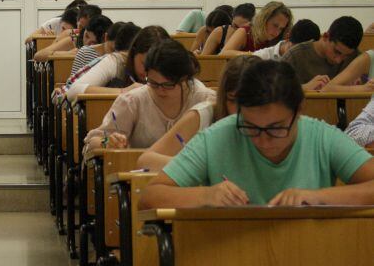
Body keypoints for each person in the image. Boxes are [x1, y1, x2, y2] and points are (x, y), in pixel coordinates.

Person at [140, 60, 374, 208]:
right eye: (250, 126)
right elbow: (150, 196)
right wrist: (205, 196)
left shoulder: (322, 137)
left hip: (306, 254)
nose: (263, 140)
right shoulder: (217, 137)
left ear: (299, 110)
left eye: (276, 128)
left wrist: (318, 197)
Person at [83, 39, 215, 151]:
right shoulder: (132, 101)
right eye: (153, 83)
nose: (160, 90)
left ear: (185, 78)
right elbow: (91, 143)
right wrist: (107, 142)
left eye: (168, 85)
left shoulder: (207, 100)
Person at [137, 55, 261, 171]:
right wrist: (200, 166)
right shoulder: (203, 116)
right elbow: (145, 161)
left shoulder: (270, 122)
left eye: (250, 102)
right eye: (233, 100)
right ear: (223, 98)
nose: (241, 110)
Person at [65, 25, 169, 99]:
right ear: (133, 53)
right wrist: (124, 91)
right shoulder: (117, 61)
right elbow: (73, 90)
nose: (148, 73)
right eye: (144, 64)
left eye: (157, 67)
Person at [281, 16, 362, 88]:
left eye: (346, 56)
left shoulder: (357, 58)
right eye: (337, 52)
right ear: (326, 37)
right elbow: (276, 92)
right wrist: (305, 88)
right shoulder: (295, 55)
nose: (338, 61)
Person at [220, 1, 293, 56]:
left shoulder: (280, 39)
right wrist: (258, 55)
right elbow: (223, 54)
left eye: (281, 29)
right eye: (275, 25)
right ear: (264, 19)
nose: (277, 32)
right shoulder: (245, 32)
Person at [33, 15, 112, 62]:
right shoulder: (75, 39)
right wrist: (67, 54)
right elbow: (38, 55)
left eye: (93, 43)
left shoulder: (110, 47)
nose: (87, 42)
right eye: (86, 36)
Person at [252, 18, 320, 62]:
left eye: (304, 54)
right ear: (288, 37)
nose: (298, 56)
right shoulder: (261, 57)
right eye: (295, 49)